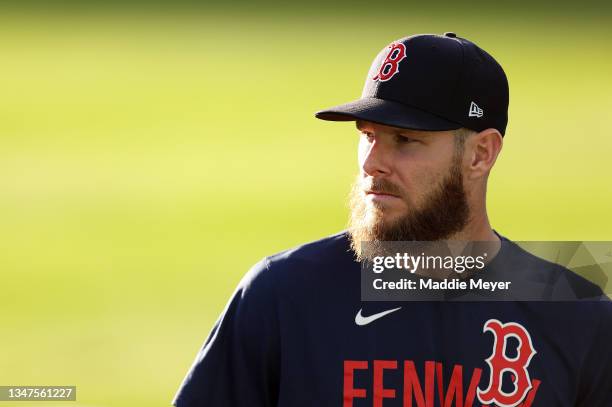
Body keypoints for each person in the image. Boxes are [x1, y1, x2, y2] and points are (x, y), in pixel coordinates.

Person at [173, 33, 611, 406]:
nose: (372, 163)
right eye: (367, 136)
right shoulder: (281, 296)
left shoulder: (579, 317)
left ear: (481, 153)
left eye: (404, 139)